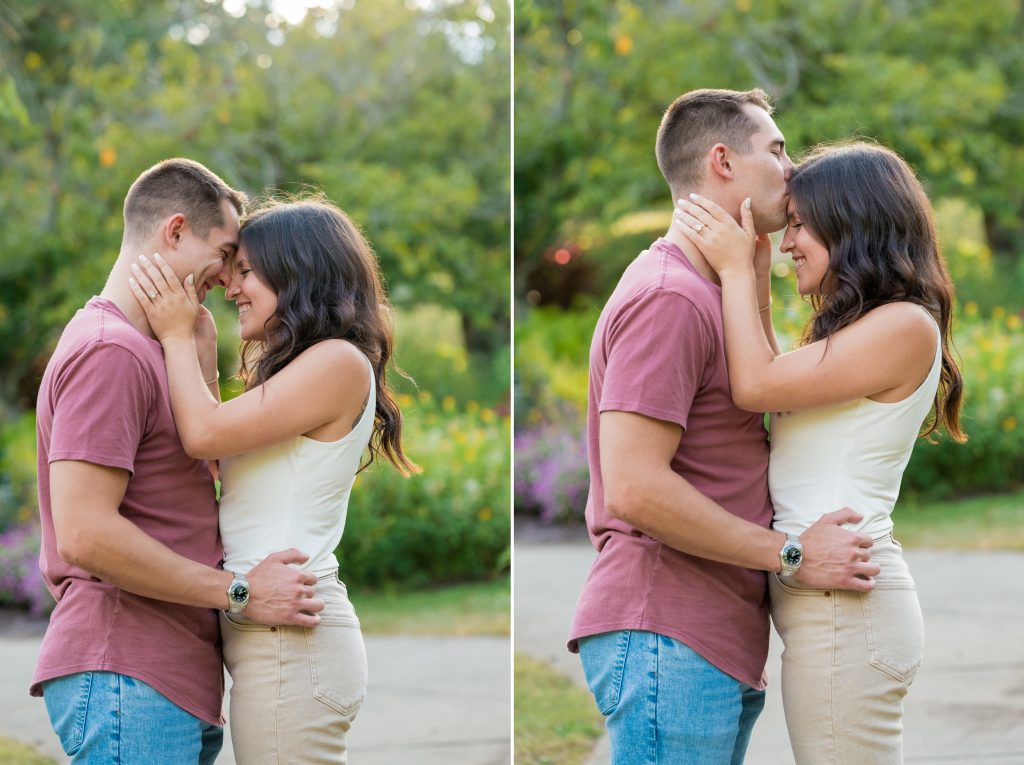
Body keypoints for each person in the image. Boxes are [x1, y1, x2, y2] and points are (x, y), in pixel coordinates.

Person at [567, 88, 884, 765]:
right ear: (722, 161)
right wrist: (792, 553)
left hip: (707, 635)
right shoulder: (669, 297)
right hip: (666, 629)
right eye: (776, 149)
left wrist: (751, 274)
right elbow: (634, 487)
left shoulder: (713, 289)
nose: (792, 167)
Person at [674, 141, 965, 763]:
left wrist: (730, 268)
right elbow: (774, 374)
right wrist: (749, 271)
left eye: (801, 224)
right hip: (832, 610)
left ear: (853, 222)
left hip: (847, 612)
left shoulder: (905, 325)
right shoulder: (874, 325)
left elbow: (754, 386)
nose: (787, 243)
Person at [32, 158, 325, 764]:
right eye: (223, 253)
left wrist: (197, 358)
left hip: (163, 674)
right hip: (125, 668)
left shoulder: (149, 350)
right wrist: (240, 593)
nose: (228, 277)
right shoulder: (110, 352)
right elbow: (84, 533)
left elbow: (196, 476)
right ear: (174, 232)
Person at [128, 194, 418, 764]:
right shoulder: (306, 367)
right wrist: (204, 352)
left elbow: (203, 436)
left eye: (246, 272)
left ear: (298, 270)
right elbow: (215, 460)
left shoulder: (337, 362)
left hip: (291, 643)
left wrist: (176, 337)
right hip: (271, 635)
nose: (232, 287)